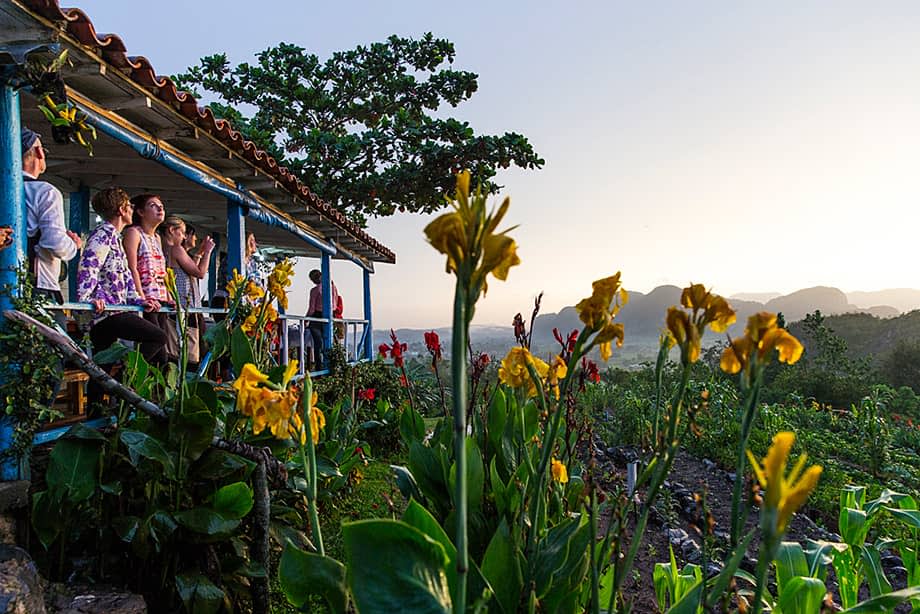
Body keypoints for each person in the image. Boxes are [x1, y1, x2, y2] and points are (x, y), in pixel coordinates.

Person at [76, 187, 167, 364]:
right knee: (158, 337)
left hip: (114, 310)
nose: (132, 210)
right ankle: (126, 379)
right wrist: (87, 299)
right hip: (105, 313)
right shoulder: (102, 235)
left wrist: (139, 300)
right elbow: (89, 266)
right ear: (121, 210)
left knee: (102, 368)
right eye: (129, 206)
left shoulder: (115, 237)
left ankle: (115, 385)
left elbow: (126, 278)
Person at [22, 127, 82, 307]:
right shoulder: (45, 192)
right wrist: (74, 245)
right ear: (39, 152)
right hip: (38, 284)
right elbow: (54, 243)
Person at [161, 215, 215, 364]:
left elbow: (188, 270)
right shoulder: (176, 249)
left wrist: (199, 253)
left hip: (173, 305)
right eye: (183, 232)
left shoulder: (163, 248)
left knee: (174, 350)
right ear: (172, 230)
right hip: (185, 305)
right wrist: (208, 252)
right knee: (190, 352)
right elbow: (200, 273)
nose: (184, 236)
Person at [123, 194, 170, 357]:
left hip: (160, 299)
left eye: (161, 205)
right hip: (146, 300)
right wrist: (141, 297)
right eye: (153, 205)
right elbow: (132, 267)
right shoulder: (134, 233)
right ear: (141, 212)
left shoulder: (157, 238)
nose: (160, 208)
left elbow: (161, 271)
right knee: (156, 347)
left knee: (161, 352)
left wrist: (169, 296)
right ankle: (128, 374)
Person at [307, 268, 339, 370]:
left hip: (317, 317)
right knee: (329, 342)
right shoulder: (333, 288)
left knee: (318, 344)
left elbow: (312, 309)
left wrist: (306, 320)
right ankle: (332, 365)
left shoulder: (315, 290)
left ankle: (319, 367)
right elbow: (336, 303)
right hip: (331, 316)